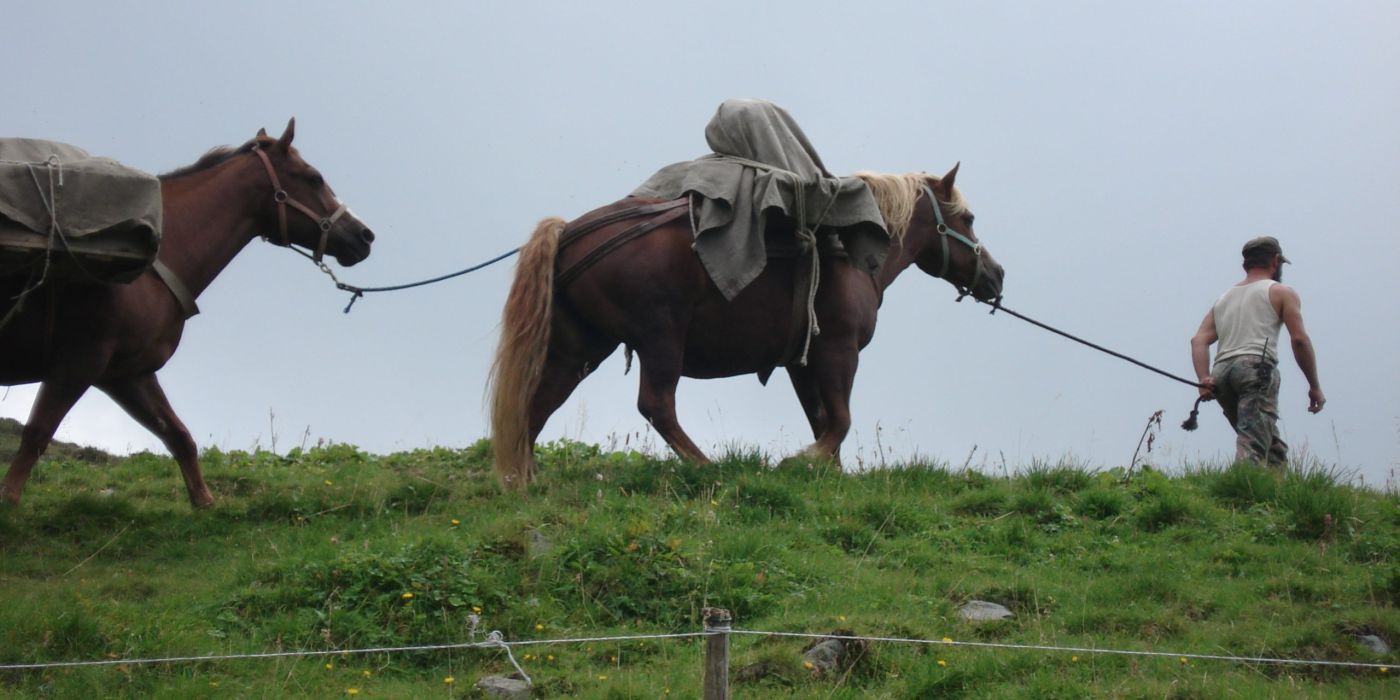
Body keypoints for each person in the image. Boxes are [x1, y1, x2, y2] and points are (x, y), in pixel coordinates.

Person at [1190, 236, 1324, 467]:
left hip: (1221, 374)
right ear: (1275, 261)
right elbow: (1300, 340)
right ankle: (1240, 496)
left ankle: (1275, 497)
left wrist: (1203, 378)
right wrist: (1314, 386)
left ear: (1245, 265)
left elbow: (1198, 339)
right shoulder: (1281, 292)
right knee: (1253, 444)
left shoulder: (1224, 299)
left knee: (1270, 447)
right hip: (1255, 370)